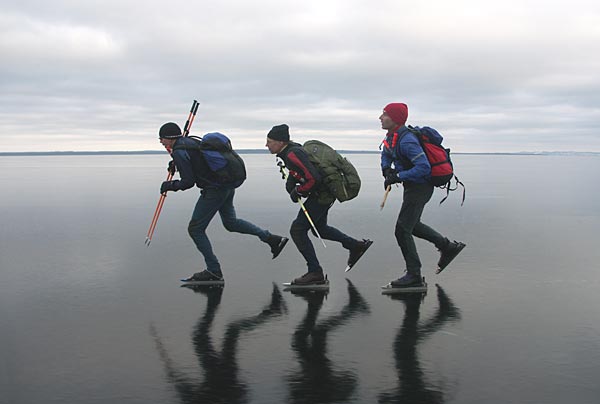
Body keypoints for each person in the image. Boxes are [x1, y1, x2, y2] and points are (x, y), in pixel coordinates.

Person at [157, 122, 289, 283]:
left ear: (169, 138)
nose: (161, 142)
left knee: (195, 229)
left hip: (214, 190)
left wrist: (170, 185)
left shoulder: (180, 150)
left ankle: (213, 271)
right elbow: (198, 163)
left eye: (161, 139)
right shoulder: (190, 143)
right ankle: (272, 239)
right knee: (230, 223)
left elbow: (188, 181)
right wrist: (177, 164)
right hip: (225, 185)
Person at [265, 124, 372, 286]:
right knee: (320, 229)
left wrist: (299, 191)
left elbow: (313, 178)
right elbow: (299, 172)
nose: (266, 145)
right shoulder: (291, 151)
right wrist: (291, 184)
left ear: (280, 142)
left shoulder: (292, 154)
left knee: (298, 230)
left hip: (321, 195)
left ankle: (315, 272)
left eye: (269, 141)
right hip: (324, 194)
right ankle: (355, 245)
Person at [379, 103, 465, 288]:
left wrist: (399, 176)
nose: (380, 118)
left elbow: (423, 168)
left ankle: (414, 276)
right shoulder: (392, 137)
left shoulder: (407, 140)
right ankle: (447, 247)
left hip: (421, 187)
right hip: (412, 187)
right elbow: (386, 153)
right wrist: (387, 169)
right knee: (413, 226)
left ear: (395, 119)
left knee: (402, 230)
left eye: (384, 115)